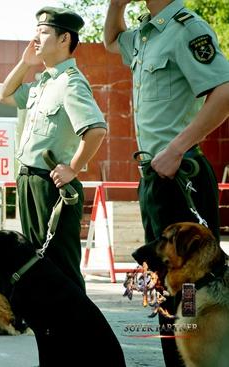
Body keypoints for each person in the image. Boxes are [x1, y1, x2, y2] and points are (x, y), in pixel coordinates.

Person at [104, 0, 229, 365]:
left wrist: (176, 149)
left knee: (191, 285)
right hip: (156, 176)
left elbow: (224, 92)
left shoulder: (186, 27)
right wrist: (116, 5)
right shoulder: (146, 34)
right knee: (158, 282)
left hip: (181, 173)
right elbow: (112, 40)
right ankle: (174, 358)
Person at [0, 7, 107, 292]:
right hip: (29, 181)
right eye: (36, 31)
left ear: (64, 39)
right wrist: (25, 63)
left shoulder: (70, 83)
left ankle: (80, 327)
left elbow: (96, 129)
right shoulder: (43, 82)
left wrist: (74, 167)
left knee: (62, 263)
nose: (36, 37)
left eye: (44, 32)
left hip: (51, 186)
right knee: (35, 260)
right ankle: (50, 326)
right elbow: (4, 95)